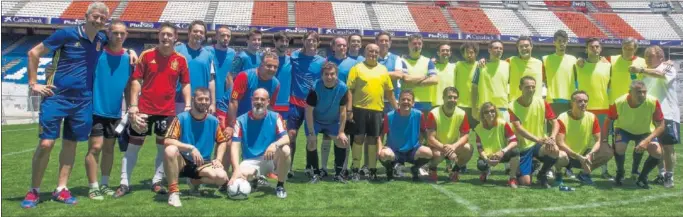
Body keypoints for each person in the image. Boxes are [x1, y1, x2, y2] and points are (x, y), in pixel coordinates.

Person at [22, 2, 111, 208]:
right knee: (46, 144)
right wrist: (33, 83)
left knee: (71, 144)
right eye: (95, 16)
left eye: (102, 19)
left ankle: (61, 189)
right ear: (86, 15)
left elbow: (115, 46)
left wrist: (130, 52)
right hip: (56, 97)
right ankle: (34, 190)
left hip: (82, 101)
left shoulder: (100, 39)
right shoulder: (66, 34)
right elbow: (34, 53)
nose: (98, 21)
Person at [115, 22, 191, 198]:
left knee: (163, 149)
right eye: (163, 34)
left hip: (167, 112)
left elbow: (186, 83)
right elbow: (136, 81)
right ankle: (124, 183)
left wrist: (187, 105)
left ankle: (157, 181)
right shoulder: (146, 55)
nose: (166, 37)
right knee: (133, 147)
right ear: (158, 36)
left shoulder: (180, 59)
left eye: (169, 35)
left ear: (175, 38)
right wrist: (133, 106)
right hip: (144, 111)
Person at [578, 37, 646, 180]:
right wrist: (581, 60)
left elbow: (654, 67)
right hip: (603, 106)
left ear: (635, 49)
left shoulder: (641, 62)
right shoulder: (610, 61)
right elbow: (591, 61)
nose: (627, 50)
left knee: (607, 140)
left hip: (612, 107)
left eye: (631, 48)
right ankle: (572, 167)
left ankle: (606, 169)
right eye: (625, 47)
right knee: (581, 139)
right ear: (621, 47)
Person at [84, 20, 132, 200]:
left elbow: (128, 86)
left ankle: (104, 184)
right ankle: (93, 186)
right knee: (95, 147)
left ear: (126, 36)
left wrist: (129, 108)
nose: (118, 36)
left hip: (115, 112)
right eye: (115, 33)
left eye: (122, 33)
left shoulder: (128, 58)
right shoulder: (98, 53)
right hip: (96, 110)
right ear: (108, 33)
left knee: (109, 149)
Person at [163, 88, 229, 207]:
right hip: (182, 161)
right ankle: (173, 193)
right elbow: (168, 140)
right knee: (170, 150)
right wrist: (190, 148)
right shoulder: (181, 118)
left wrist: (218, 159)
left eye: (206, 99)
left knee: (222, 177)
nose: (203, 102)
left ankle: (194, 181)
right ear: (193, 100)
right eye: (200, 99)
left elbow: (222, 141)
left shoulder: (213, 121)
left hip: (203, 162)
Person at [347, 44, 398, 181]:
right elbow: (350, 90)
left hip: (377, 110)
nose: (373, 54)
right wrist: (349, 109)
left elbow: (389, 92)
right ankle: (355, 169)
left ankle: (372, 169)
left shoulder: (383, 70)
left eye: (376, 51)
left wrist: (396, 108)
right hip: (359, 109)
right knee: (358, 138)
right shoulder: (357, 68)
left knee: (372, 140)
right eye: (370, 51)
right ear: (365, 52)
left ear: (379, 53)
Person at [229, 88, 291, 199]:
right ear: (251, 100)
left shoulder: (276, 117)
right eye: (256, 98)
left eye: (262, 99)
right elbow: (234, 147)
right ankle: (256, 179)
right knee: (240, 177)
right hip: (250, 161)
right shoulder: (240, 121)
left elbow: (286, 138)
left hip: (271, 158)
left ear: (268, 102)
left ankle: (280, 186)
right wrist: (236, 169)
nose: (259, 102)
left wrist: (274, 145)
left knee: (285, 149)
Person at [603, 80, 665, 188]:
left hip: (645, 132)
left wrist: (646, 141)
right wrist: (604, 141)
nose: (642, 95)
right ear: (630, 92)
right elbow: (608, 120)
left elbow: (661, 125)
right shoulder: (618, 102)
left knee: (657, 152)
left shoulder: (653, 102)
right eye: (638, 92)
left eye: (644, 92)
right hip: (623, 129)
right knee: (620, 148)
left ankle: (642, 177)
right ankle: (620, 173)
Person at [637, 46, 679, 188]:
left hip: (667, 114)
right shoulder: (645, 71)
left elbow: (660, 74)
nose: (647, 58)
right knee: (656, 147)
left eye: (651, 56)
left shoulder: (667, 67)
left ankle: (669, 176)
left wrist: (642, 70)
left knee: (667, 146)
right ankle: (661, 174)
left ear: (661, 58)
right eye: (646, 56)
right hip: (650, 114)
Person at [287, 31, 326, 179]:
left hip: (312, 105)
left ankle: (310, 167)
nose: (311, 43)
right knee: (291, 135)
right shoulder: (294, 57)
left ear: (318, 43)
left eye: (314, 41)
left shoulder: (322, 61)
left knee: (312, 136)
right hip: (295, 102)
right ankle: (288, 166)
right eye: (308, 40)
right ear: (303, 41)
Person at [554, 91, 613, 186]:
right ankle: (558, 173)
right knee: (560, 156)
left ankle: (584, 174)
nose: (583, 104)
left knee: (607, 152)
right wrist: (577, 156)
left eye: (585, 101)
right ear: (572, 103)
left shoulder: (592, 117)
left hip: (584, 154)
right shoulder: (562, 118)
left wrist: (590, 153)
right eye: (579, 101)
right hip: (566, 154)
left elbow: (599, 140)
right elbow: (560, 143)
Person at [509, 76, 559, 188]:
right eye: (527, 87)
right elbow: (519, 129)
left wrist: (552, 137)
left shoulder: (542, 103)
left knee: (554, 149)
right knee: (526, 183)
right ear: (520, 87)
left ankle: (542, 173)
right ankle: (522, 167)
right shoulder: (512, 106)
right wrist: (538, 140)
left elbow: (555, 122)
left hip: (538, 144)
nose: (531, 89)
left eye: (533, 87)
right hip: (522, 146)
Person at [305, 62, 351, 183]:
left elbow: (342, 112)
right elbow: (309, 111)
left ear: (337, 75)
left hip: (332, 121)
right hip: (316, 120)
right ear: (322, 75)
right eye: (326, 74)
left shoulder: (343, 88)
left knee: (342, 141)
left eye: (332, 74)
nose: (329, 77)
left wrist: (341, 132)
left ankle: (338, 174)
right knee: (311, 142)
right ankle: (315, 173)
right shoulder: (315, 88)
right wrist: (311, 133)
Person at [379, 90, 433, 181]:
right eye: (403, 99)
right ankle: (390, 169)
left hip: (412, 151)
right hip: (394, 151)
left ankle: (415, 169)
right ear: (398, 101)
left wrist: (423, 143)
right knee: (384, 154)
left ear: (413, 103)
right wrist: (379, 150)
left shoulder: (419, 115)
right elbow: (381, 135)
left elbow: (424, 131)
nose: (406, 102)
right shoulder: (389, 116)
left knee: (428, 152)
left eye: (409, 100)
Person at [322, 37, 355, 177]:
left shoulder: (354, 63)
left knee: (344, 136)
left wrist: (349, 108)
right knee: (327, 136)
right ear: (333, 47)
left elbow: (352, 89)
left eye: (344, 45)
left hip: (345, 104)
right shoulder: (327, 62)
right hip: (329, 105)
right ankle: (323, 168)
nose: (342, 47)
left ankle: (343, 167)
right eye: (339, 45)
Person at [425, 87, 473, 182]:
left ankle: (455, 170)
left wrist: (454, 147)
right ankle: (432, 168)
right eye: (449, 97)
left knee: (468, 148)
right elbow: (430, 138)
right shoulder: (433, 113)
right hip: (437, 147)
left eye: (455, 97)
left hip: (452, 146)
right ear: (443, 98)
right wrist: (445, 149)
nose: (452, 100)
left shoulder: (462, 113)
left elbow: (465, 135)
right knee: (439, 155)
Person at [473, 102, 520, 188]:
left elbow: (514, 141)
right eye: (486, 112)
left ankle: (512, 178)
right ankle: (486, 171)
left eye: (492, 111)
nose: (490, 114)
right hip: (488, 156)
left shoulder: (503, 124)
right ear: (482, 115)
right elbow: (479, 148)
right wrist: (487, 160)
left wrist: (502, 151)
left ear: (496, 112)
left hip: (501, 154)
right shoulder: (478, 128)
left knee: (515, 151)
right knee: (481, 165)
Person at [174, 20, 216, 114]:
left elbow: (211, 80)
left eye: (201, 32)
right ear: (189, 33)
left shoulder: (208, 56)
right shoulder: (176, 51)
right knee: (178, 128)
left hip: (202, 101)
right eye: (195, 31)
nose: (198, 34)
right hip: (179, 101)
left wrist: (213, 103)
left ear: (204, 36)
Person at [472, 40, 510, 122]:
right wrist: (474, 108)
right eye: (496, 48)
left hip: (502, 107)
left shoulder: (507, 65)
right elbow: (474, 87)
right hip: (485, 108)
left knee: (503, 134)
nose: (499, 50)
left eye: (501, 48)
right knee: (486, 134)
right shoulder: (481, 65)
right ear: (489, 50)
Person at [400, 34, 438, 113]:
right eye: (414, 43)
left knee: (424, 126)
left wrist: (415, 83)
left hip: (425, 101)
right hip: (407, 100)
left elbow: (435, 80)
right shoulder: (402, 60)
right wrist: (425, 77)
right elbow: (406, 79)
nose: (417, 46)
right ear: (409, 44)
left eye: (419, 43)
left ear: (422, 45)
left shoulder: (428, 61)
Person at [543, 30, 577, 116]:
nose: (562, 44)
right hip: (553, 100)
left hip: (570, 100)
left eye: (564, 41)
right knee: (553, 128)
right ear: (554, 42)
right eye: (559, 41)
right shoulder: (546, 59)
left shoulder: (574, 59)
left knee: (568, 128)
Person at [208, 26, 236, 112]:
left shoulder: (233, 53)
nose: (226, 38)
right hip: (208, 99)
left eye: (228, 36)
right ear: (216, 36)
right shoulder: (207, 51)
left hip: (225, 101)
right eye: (223, 35)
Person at [508, 36, 543, 101]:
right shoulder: (511, 61)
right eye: (521, 46)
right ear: (518, 48)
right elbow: (497, 64)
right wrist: (485, 60)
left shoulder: (540, 63)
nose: (524, 48)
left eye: (526, 46)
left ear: (531, 46)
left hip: (535, 104)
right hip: (516, 104)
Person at [455, 42, 480, 127]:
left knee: (477, 132)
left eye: (471, 52)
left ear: (476, 53)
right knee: (461, 132)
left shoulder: (480, 66)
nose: (469, 55)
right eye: (467, 53)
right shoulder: (458, 65)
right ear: (463, 54)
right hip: (460, 105)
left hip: (476, 105)